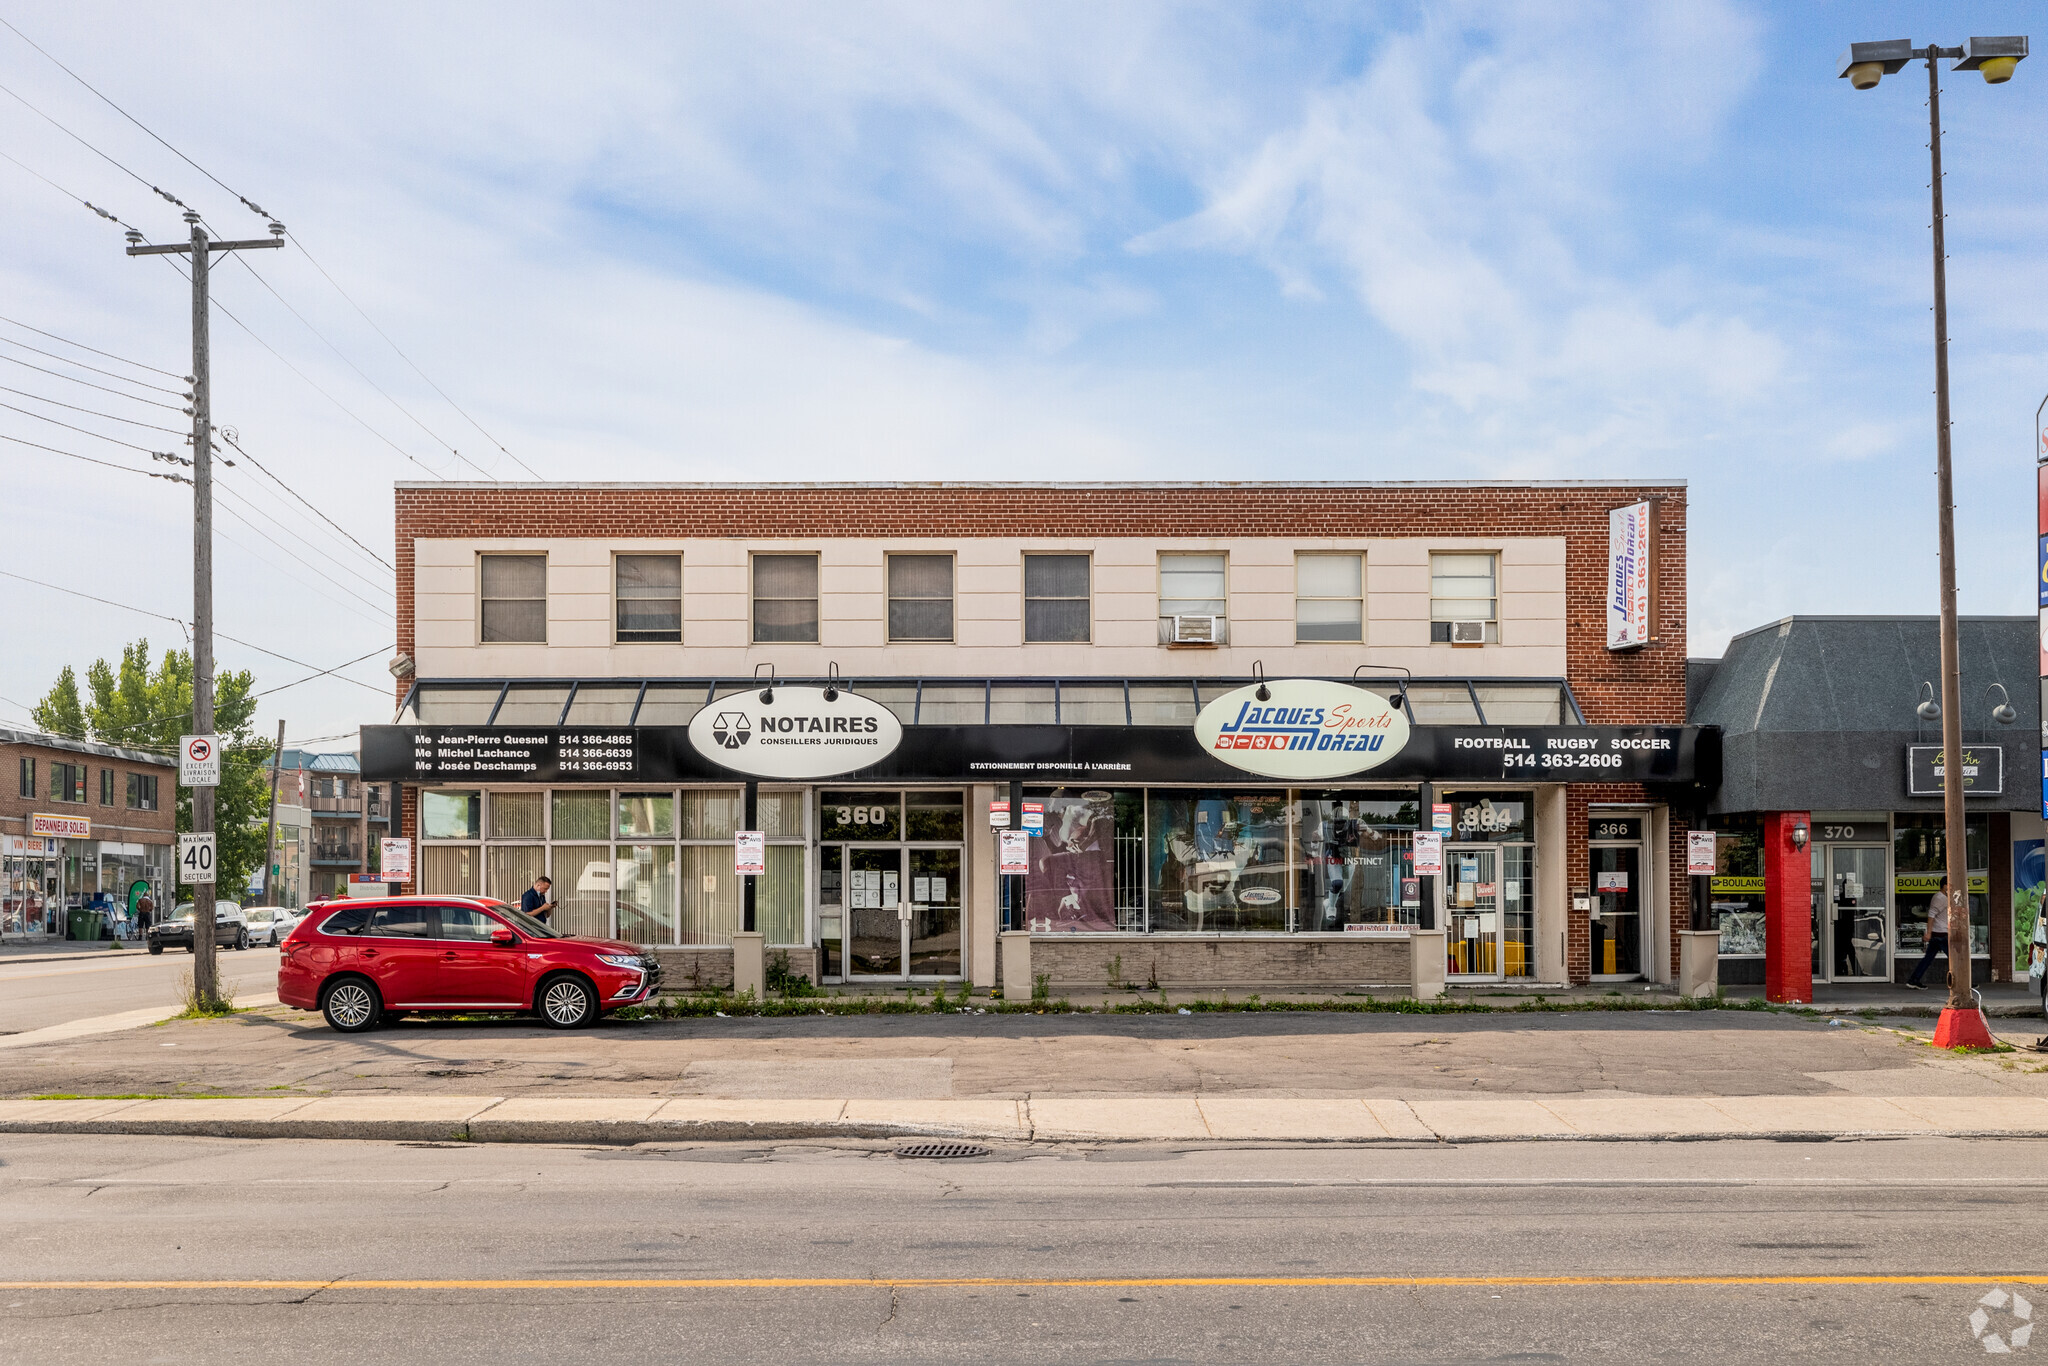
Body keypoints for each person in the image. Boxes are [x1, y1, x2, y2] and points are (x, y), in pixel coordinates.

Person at [1907, 877, 1953, 990]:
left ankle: (1914, 980)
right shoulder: (1940, 898)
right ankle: (1965, 982)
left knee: (1928, 959)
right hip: (1940, 934)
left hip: (1939, 933)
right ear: (1944, 886)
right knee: (1955, 959)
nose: (1951, 888)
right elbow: (1931, 915)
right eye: (1949, 885)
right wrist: (1928, 933)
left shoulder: (1944, 897)